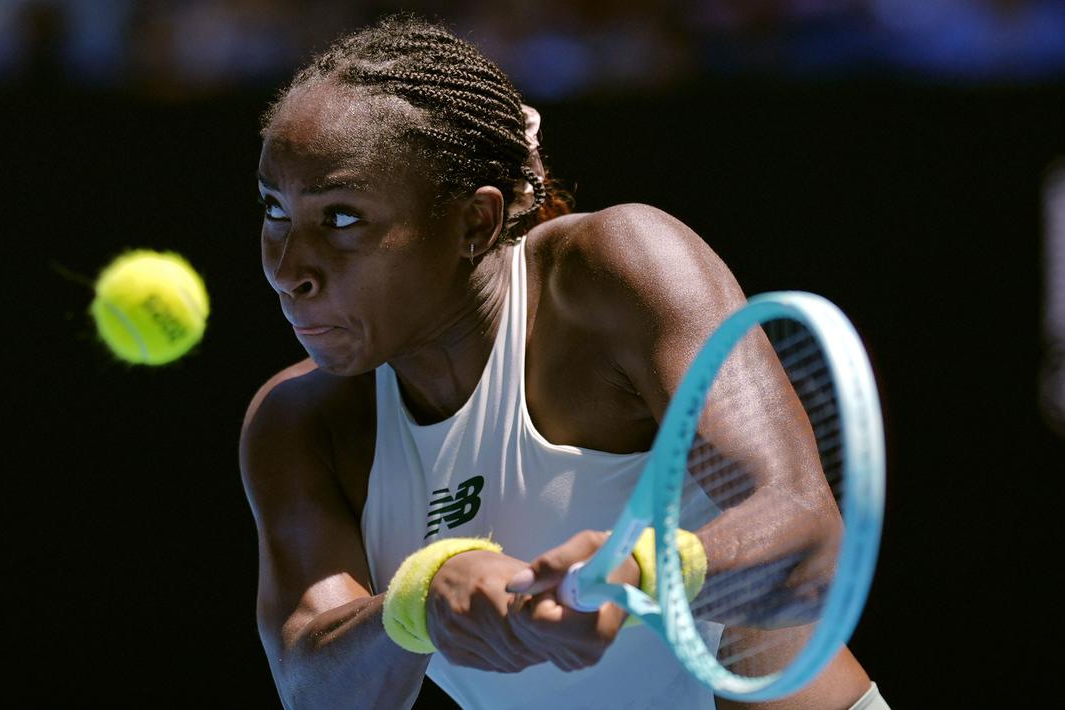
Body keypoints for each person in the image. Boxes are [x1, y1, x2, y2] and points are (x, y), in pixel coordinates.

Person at [239, 15, 887, 710]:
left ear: (474, 223)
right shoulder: (299, 424)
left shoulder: (615, 271)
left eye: (341, 217)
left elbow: (809, 548)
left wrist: (635, 572)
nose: (287, 269)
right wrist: (422, 597)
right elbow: (315, 691)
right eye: (274, 210)